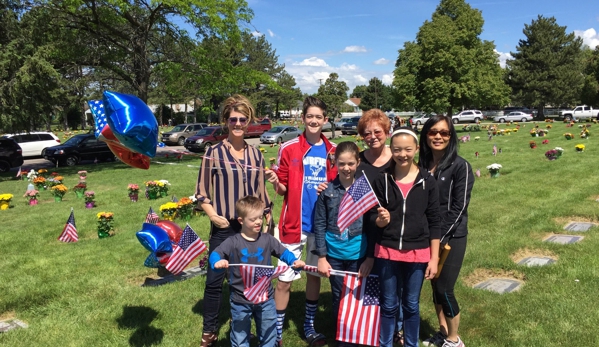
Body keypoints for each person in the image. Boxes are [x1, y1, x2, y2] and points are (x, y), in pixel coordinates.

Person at [196, 94, 272, 347]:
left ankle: (252, 328)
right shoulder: (213, 152)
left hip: (251, 228)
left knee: (251, 279)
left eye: (243, 119)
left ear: (248, 122)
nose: (238, 124)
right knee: (214, 281)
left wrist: (268, 216)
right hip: (225, 227)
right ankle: (209, 330)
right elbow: (201, 192)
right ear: (226, 121)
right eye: (233, 119)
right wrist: (213, 216)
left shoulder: (256, 154)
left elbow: (261, 192)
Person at [265, 96, 338, 347]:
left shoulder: (333, 151)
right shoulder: (289, 148)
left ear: (325, 120)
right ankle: (275, 333)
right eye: (310, 116)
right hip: (293, 225)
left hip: (320, 226)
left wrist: (328, 187)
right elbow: (283, 188)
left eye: (319, 117)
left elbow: (339, 187)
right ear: (303, 119)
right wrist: (276, 182)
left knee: (314, 275)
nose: (314, 120)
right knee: (285, 279)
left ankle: (309, 326)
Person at [367, 127, 441, 347]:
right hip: (387, 251)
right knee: (388, 304)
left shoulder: (428, 181)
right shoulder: (383, 180)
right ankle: (386, 343)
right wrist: (380, 220)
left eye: (408, 149)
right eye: (397, 149)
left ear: (416, 149)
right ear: (391, 150)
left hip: (418, 253)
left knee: (411, 304)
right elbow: (372, 217)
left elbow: (435, 221)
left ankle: (411, 344)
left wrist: (434, 258)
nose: (403, 154)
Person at [209, 196, 305, 347]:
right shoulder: (233, 242)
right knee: (240, 336)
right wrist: (217, 262)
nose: (259, 222)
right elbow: (215, 254)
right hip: (240, 299)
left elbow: (284, 253)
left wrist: (293, 261)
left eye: (260, 217)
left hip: (265, 297)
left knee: (268, 333)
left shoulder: (267, 239)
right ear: (241, 221)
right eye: (253, 219)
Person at [419, 115, 473, 347]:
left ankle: (454, 339)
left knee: (444, 288)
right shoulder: (420, 164)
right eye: (433, 132)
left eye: (444, 133)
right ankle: (442, 332)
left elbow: (459, 207)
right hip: (425, 235)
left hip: (451, 237)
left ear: (451, 137)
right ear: (426, 135)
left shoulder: (460, 166)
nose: (438, 136)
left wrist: (439, 237)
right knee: (434, 285)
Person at [313, 141, 373, 347]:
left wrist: (370, 257)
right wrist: (321, 257)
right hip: (334, 255)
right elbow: (319, 224)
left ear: (358, 162)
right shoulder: (327, 191)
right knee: (339, 296)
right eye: (341, 164)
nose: (346, 168)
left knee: (359, 295)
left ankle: (360, 335)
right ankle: (343, 336)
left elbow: (372, 226)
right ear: (334, 164)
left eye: (350, 163)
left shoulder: (363, 190)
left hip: (358, 254)